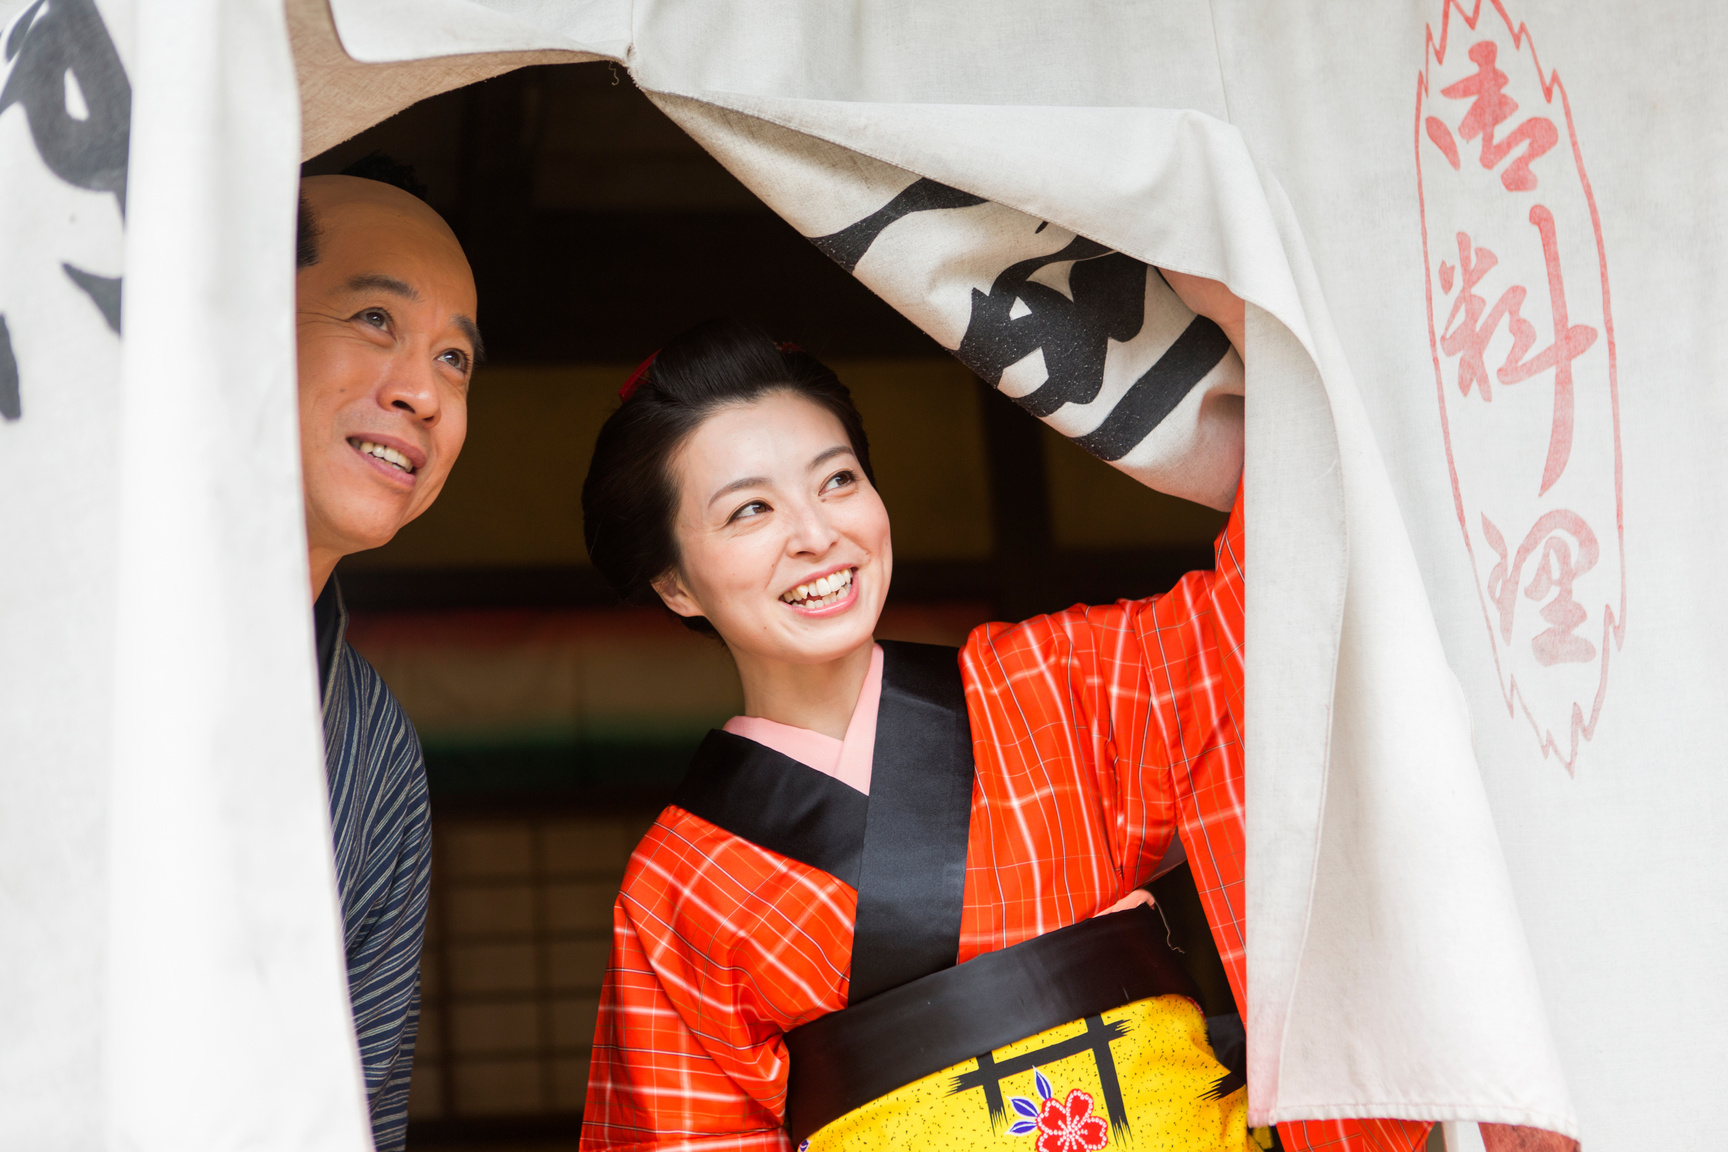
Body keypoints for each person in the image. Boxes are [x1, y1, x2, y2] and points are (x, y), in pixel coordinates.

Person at [576, 305, 1270, 1152]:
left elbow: (1266, 611)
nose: (817, 534)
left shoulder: (1053, 682)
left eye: (837, 480)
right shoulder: (681, 885)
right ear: (676, 584)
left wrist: (1259, 316)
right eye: (749, 511)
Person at [296, 157, 480, 1151]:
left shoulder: (374, 751)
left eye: (455, 359)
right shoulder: (46, 608)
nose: (423, 391)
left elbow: (357, 1110)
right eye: (376, 319)